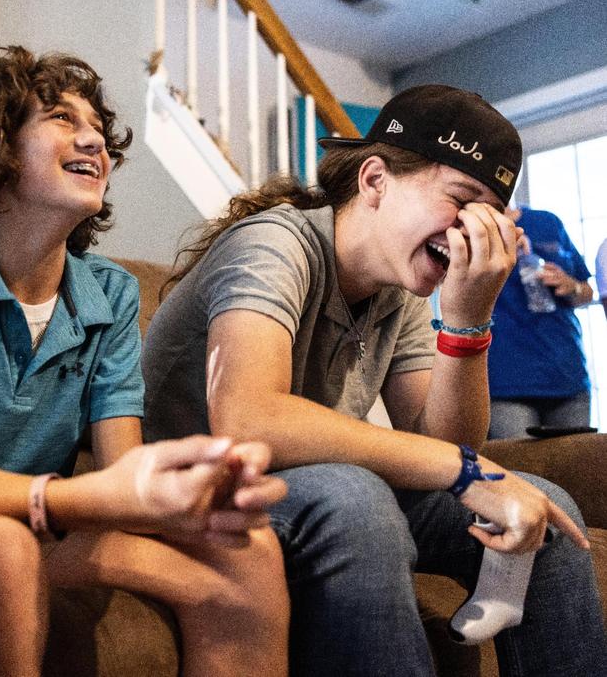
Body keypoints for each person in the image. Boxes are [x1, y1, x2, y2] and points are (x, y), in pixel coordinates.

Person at [0, 47, 290, 677]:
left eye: (100, 132)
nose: (94, 140)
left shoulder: (110, 292)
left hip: (47, 530)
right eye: (60, 118)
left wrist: (189, 484)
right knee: (3, 547)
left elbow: (123, 473)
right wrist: (65, 502)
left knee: (249, 547)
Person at [142, 84, 607, 675]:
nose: (472, 230)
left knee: (550, 513)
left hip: (306, 488)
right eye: (461, 199)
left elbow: (445, 441)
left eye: (489, 212)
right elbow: (248, 416)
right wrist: (466, 473)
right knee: (355, 496)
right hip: (197, 489)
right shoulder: (274, 242)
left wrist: (466, 320)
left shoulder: (399, 282)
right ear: (373, 181)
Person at [486, 206, 596, 438]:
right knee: (520, 473)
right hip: (506, 385)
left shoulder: (548, 221)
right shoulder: (469, 231)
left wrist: (571, 285)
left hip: (568, 378)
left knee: (574, 470)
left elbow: (586, 291)